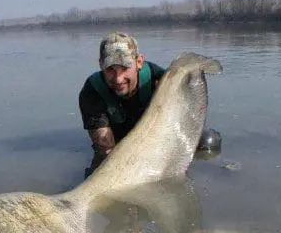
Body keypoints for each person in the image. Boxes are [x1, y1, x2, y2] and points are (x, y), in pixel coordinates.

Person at [78, 31, 220, 178]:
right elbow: (106, 149)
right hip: (117, 142)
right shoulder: (92, 91)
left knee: (208, 141)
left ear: (139, 62)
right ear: (100, 65)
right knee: (96, 173)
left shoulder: (159, 80)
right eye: (110, 70)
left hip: (156, 139)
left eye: (125, 68)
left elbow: (179, 124)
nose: (118, 79)